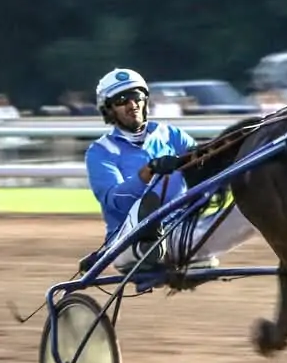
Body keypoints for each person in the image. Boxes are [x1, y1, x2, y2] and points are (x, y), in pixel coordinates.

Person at [84, 67, 259, 271]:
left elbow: (202, 172)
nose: (132, 105)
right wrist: (148, 171)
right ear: (109, 110)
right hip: (127, 242)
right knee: (155, 197)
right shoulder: (100, 152)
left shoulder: (170, 135)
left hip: (184, 232)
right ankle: (148, 243)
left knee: (257, 207)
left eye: (137, 97)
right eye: (122, 100)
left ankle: (171, 248)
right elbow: (116, 201)